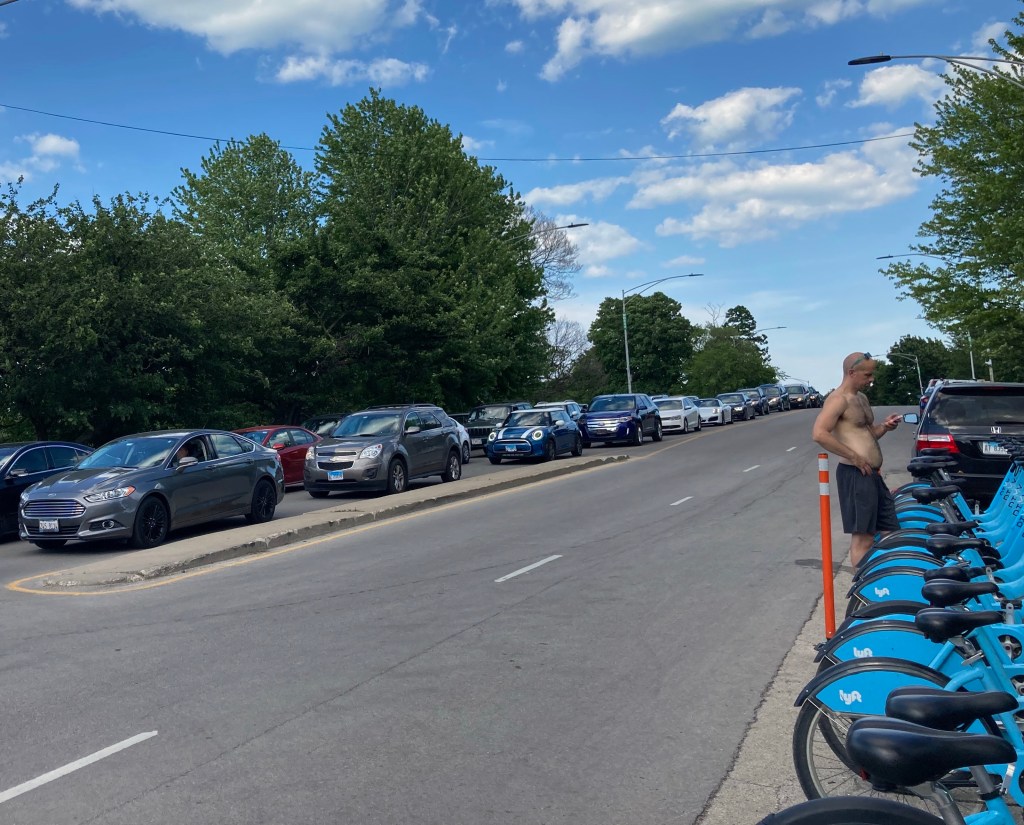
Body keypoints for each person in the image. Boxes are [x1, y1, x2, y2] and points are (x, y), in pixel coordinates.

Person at [811, 352, 903, 568]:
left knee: (890, 532)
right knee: (864, 538)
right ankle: (861, 587)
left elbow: (868, 434)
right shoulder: (838, 400)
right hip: (855, 475)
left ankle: (885, 580)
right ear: (852, 373)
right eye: (867, 375)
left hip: (872, 475)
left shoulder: (861, 398)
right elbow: (819, 434)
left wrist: (885, 427)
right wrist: (854, 456)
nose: (871, 379)